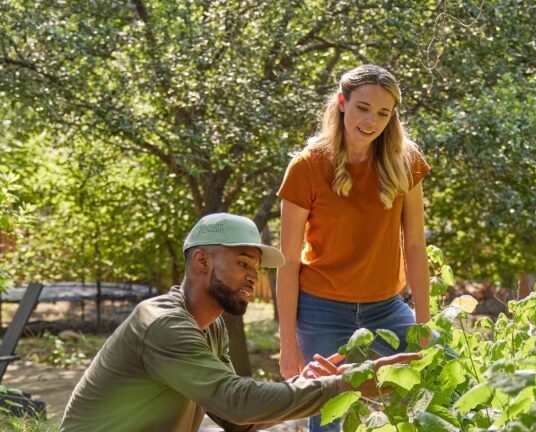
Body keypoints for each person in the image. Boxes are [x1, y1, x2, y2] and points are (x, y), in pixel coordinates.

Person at [60, 213, 419, 432]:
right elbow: (237, 402)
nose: (253, 277)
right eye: (243, 263)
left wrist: (302, 385)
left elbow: (239, 421)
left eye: (256, 269)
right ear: (202, 261)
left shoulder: (211, 327)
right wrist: (347, 384)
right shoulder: (163, 324)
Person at [276, 64, 431, 431]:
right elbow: (286, 262)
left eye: (383, 112)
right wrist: (287, 342)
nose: (371, 121)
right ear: (342, 103)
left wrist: (424, 324)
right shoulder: (307, 167)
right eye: (363, 107)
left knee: (441, 382)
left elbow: (414, 245)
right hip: (321, 311)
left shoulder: (405, 162)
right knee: (330, 421)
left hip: (387, 309)